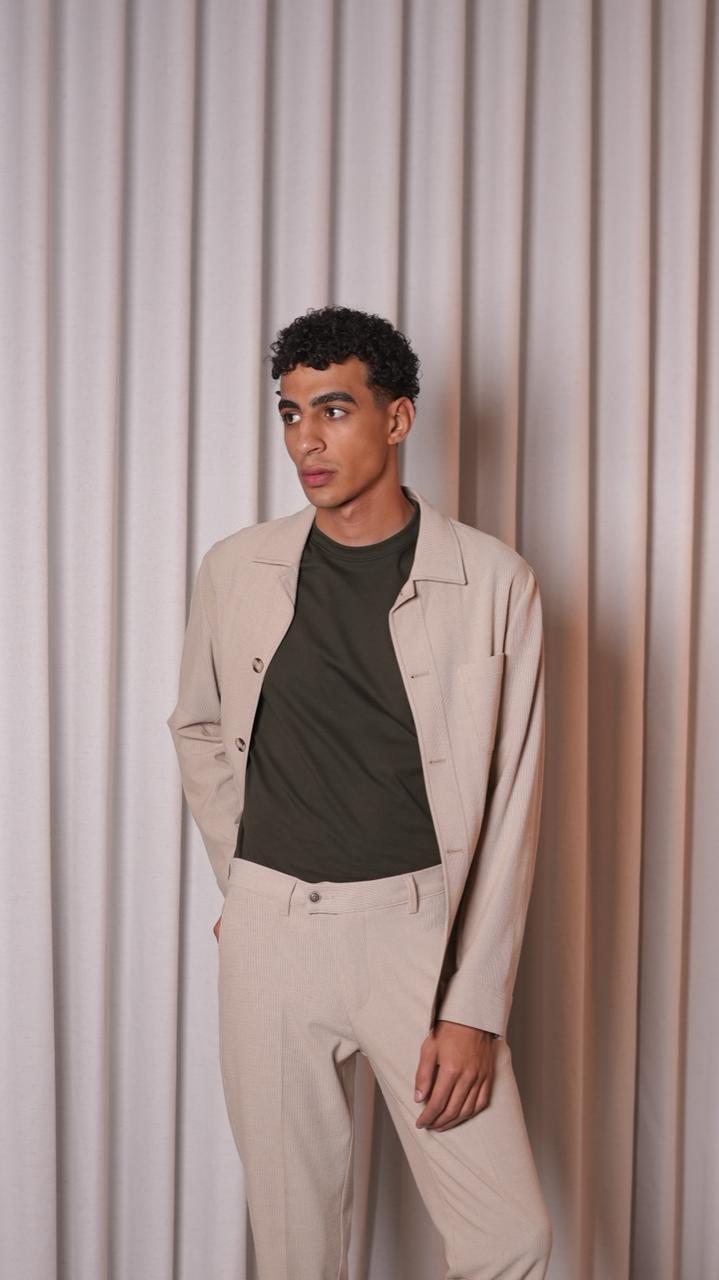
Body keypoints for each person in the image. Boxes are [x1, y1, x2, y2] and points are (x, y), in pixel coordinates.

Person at [167, 305, 552, 1279]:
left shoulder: (493, 581)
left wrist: (473, 1006)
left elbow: (512, 804)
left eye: (333, 409)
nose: (306, 438)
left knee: (509, 1237)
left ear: (397, 418)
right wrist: (241, 874)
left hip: (414, 939)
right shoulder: (235, 568)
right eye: (290, 412)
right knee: (296, 1246)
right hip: (270, 937)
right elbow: (200, 726)